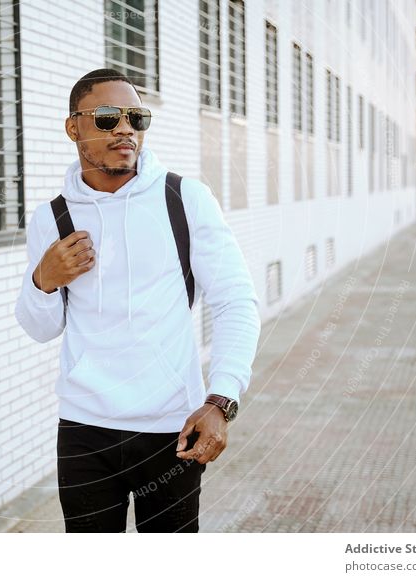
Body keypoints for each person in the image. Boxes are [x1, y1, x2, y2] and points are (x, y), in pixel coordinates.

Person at [14, 68, 261, 532]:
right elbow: (40, 327)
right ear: (74, 128)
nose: (124, 127)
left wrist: (221, 399)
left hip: (173, 428)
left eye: (136, 117)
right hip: (85, 431)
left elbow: (235, 301)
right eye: (107, 117)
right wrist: (42, 281)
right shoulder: (53, 217)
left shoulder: (183, 198)